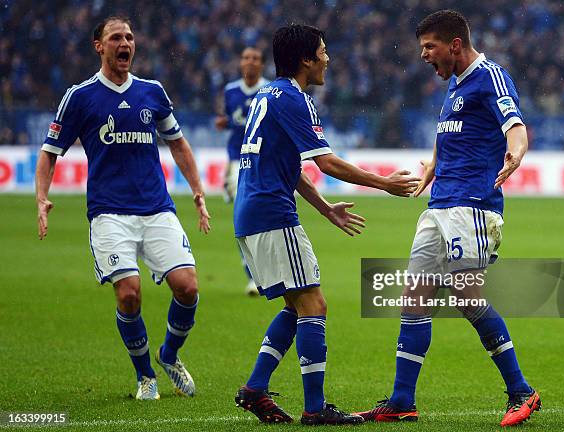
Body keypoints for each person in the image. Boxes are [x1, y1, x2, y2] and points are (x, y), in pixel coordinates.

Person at [355, 10, 540, 427]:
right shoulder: (454, 85)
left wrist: (516, 153)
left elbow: (515, 125)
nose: (424, 55)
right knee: (414, 299)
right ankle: (403, 400)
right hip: (439, 206)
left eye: (429, 47)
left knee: (466, 297)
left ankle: (522, 392)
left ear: (454, 44)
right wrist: (431, 170)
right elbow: (446, 135)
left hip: (472, 205)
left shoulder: (489, 76)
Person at [232, 24, 419, 425]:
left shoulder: (268, 94)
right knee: (314, 305)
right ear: (306, 59)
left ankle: (254, 388)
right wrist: (383, 182)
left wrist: (323, 208)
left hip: (251, 212)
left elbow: (287, 164)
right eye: (323, 51)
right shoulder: (295, 100)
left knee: (294, 305)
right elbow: (327, 162)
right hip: (272, 213)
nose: (328, 59)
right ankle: (315, 410)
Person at [35, 16, 211, 401]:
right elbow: (49, 153)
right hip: (110, 213)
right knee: (129, 294)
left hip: (156, 208)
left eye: (129, 37)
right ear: (99, 46)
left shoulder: (152, 92)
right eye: (116, 37)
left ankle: (170, 354)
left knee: (189, 287)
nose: (125, 43)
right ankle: (145, 375)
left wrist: (197, 191)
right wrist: (41, 198)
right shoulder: (79, 97)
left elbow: (178, 143)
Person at [215, 47, 269, 296]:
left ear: (262, 65)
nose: (250, 62)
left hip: (265, 162)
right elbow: (231, 117)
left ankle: (266, 271)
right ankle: (252, 275)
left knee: (264, 218)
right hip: (237, 161)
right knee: (244, 217)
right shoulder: (230, 91)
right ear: (240, 63)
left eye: (255, 58)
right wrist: (224, 122)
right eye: (246, 57)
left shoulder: (270, 91)